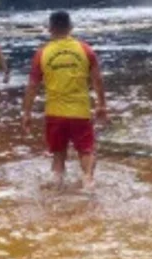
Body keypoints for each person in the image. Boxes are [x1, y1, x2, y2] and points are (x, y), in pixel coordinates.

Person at [22, 11, 108, 190]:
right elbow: (97, 80)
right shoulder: (85, 50)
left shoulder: (42, 54)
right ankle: (88, 181)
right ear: (70, 27)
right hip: (80, 112)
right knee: (86, 150)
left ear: (50, 29)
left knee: (58, 154)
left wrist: (27, 113)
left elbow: (32, 86)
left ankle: (57, 186)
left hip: (54, 114)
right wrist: (101, 105)